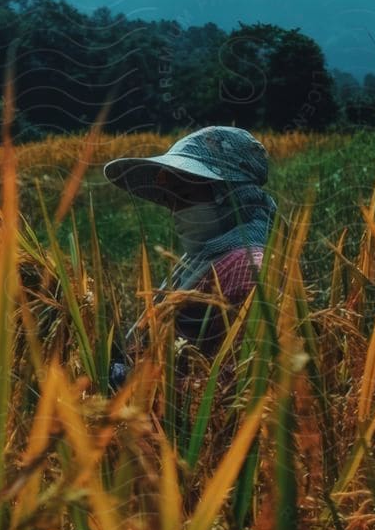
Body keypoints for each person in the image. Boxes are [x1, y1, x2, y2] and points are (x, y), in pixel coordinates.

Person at [101, 126, 276, 389]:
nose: (175, 210)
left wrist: (140, 386)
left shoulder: (248, 271)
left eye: (184, 195)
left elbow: (238, 387)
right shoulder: (200, 260)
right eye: (169, 199)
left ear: (229, 196)